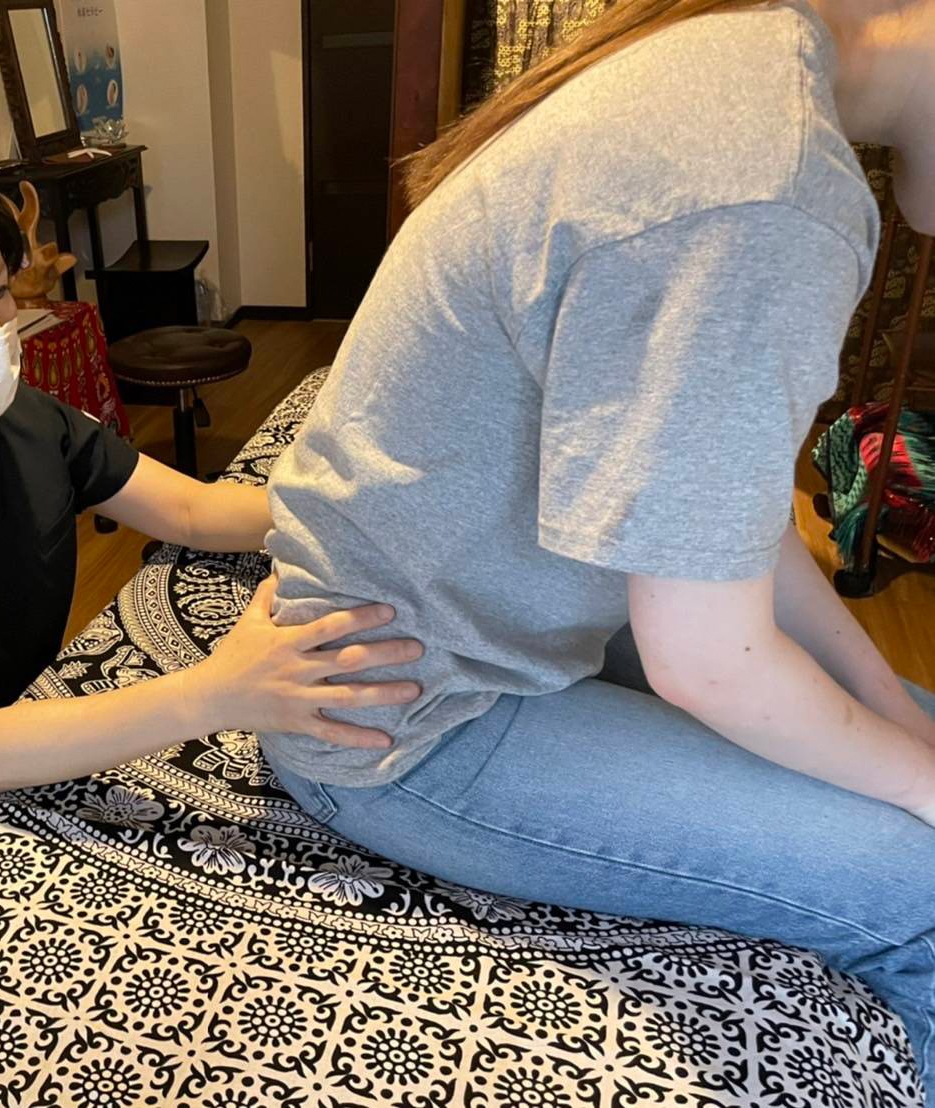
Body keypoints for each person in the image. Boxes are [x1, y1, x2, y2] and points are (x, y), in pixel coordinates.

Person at [259, 0, 935, 1095]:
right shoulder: (767, 185)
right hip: (403, 716)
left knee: (908, 730)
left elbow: (722, 521)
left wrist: (894, 716)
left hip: (471, 623)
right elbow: (706, 659)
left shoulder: (727, 67)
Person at [0, 142, 424, 882]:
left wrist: (360, 513)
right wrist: (220, 692)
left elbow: (193, 510)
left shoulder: (21, 422)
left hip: (51, 763)